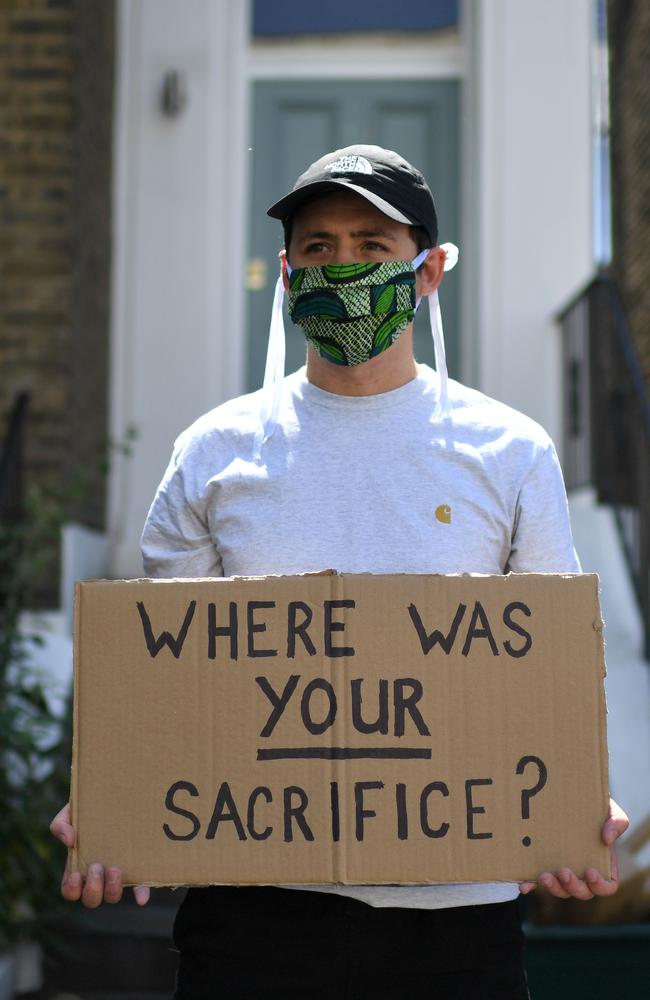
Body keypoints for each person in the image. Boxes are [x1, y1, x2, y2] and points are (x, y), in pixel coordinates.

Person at [51, 144, 629, 998]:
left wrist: (574, 797)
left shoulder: (509, 452)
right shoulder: (215, 453)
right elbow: (166, 681)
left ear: (427, 273)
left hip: (455, 923)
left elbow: (546, 670)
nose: (343, 267)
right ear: (287, 275)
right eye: (319, 248)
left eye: (373, 246)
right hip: (253, 916)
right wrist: (115, 797)